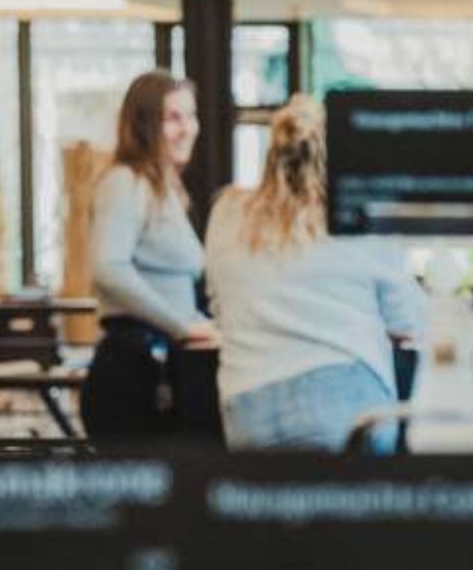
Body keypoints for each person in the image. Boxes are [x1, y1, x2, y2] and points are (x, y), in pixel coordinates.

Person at [203, 94, 425, 450]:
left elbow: (217, 304)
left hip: (249, 409)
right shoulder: (361, 215)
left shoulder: (227, 212)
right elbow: (409, 321)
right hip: (348, 404)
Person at [82, 70, 215, 439]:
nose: (187, 128)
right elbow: (108, 268)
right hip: (132, 373)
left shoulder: (165, 190)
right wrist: (183, 325)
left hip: (160, 366)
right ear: (144, 126)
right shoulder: (126, 182)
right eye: (173, 118)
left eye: (190, 116)